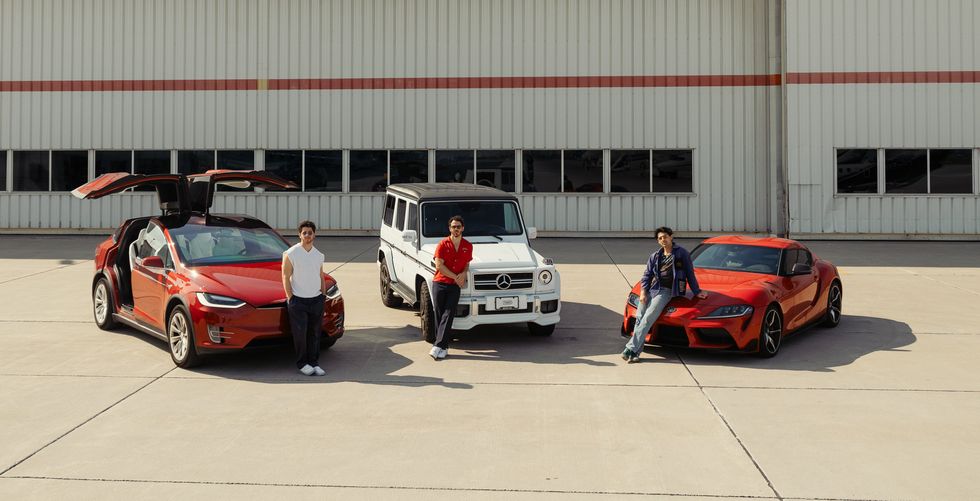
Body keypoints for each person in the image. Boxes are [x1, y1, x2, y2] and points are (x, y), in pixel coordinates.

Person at [623, 226, 708, 363]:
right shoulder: (655, 256)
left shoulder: (681, 254)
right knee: (640, 317)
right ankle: (635, 353)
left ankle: (630, 348)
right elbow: (646, 276)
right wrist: (644, 293)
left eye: (665, 237)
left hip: (667, 291)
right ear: (658, 241)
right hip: (652, 289)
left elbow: (690, 274)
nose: (663, 240)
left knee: (648, 318)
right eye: (660, 238)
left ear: (671, 237)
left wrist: (697, 291)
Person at [282, 220, 327, 376]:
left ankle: (314, 363)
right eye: (304, 233)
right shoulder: (291, 253)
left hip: (316, 299)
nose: (307, 235)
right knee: (300, 334)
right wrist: (291, 298)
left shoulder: (319, 255)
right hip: (298, 301)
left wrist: (323, 294)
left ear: (314, 234)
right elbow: (285, 276)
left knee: (315, 333)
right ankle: (302, 363)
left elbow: (321, 275)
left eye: (310, 232)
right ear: (299, 235)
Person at [429, 215, 472, 360]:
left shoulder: (468, 246)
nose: (456, 229)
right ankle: (444, 347)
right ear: (450, 228)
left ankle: (437, 345)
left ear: (463, 228)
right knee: (439, 314)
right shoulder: (442, 244)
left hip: (454, 286)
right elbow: (439, 266)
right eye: (453, 227)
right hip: (440, 283)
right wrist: (456, 276)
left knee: (448, 313)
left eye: (458, 227)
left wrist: (464, 273)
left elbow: (466, 264)